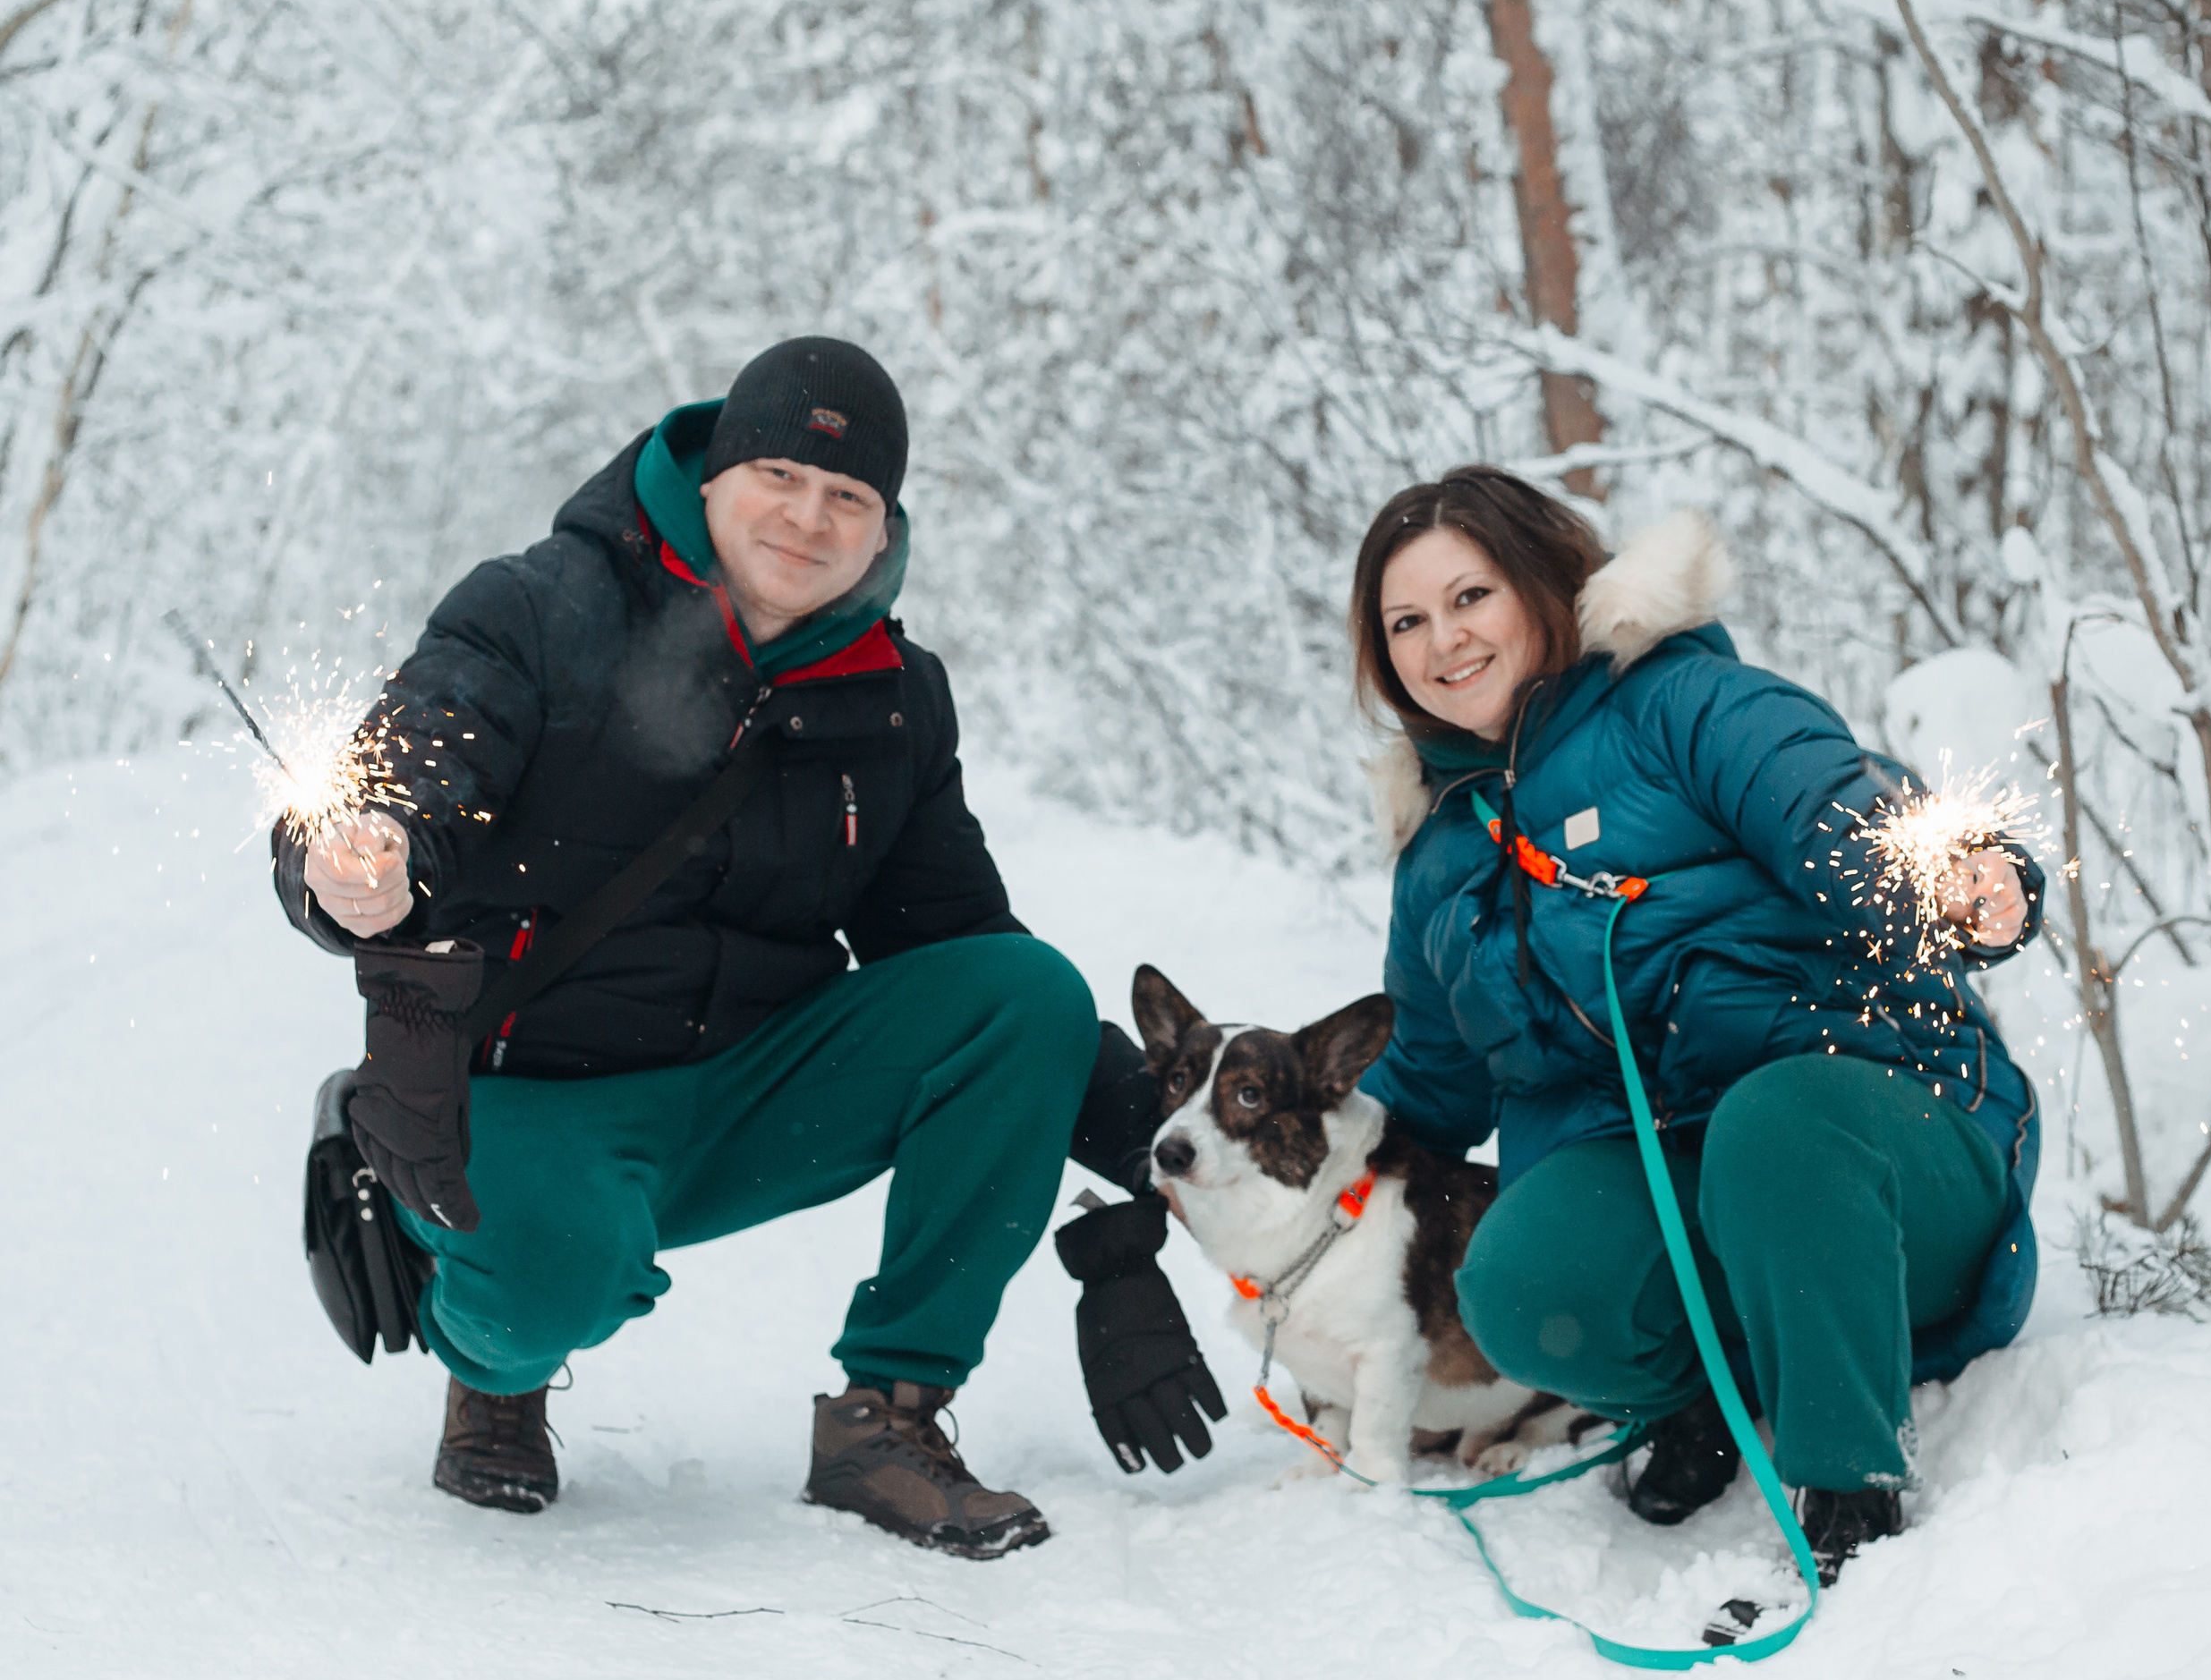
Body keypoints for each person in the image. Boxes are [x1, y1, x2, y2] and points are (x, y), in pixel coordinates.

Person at [276, 338, 1225, 1553]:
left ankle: (890, 1417)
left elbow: (964, 955)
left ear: (884, 530)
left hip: (749, 1093)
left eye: (848, 494)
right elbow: (414, 755)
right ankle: (489, 1363)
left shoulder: (892, 697)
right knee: (539, 1288)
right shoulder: (539, 608)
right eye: (780, 474)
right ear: (712, 474)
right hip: (537, 1092)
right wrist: (363, 858)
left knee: (1022, 992)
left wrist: (1164, 1172)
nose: (807, 517)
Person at [1350, 468, 2042, 1584]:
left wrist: (1944, 874)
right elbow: (1423, 1089)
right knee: (1517, 1276)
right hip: (1694, 1195)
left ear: (1543, 584)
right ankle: (1707, 1394)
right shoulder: (1441, 857)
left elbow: (1835, 807)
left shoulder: (1684, 704)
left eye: (1470, 596)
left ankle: (1848, 1488)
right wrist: (1232, 1126)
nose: (1444, 640)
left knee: (1776, 1122)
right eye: (1406, 622)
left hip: (1891, 1162)